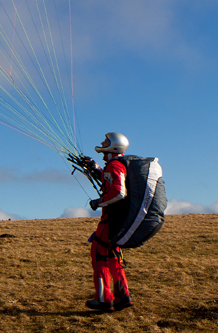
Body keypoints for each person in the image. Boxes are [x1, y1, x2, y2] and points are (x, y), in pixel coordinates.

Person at [83, 132, 134, 312]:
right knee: (113, 256)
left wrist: (99, 202)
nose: (102, 143)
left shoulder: (115, 166)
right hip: (118, 220)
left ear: (114, 146)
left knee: (99, 253)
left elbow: (119, 192)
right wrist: (93, 166)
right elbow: (107, 178)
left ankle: (104, 299)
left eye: (106, 141)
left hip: (110, 220)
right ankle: (123, 297)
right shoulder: (114, 165)